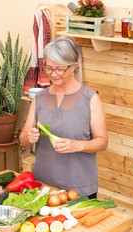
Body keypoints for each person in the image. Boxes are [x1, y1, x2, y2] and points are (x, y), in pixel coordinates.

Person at [19, 36, 108, 199]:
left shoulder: (90, 99)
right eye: (48, 68)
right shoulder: (39, 98)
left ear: (74, 67)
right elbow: (23, 140)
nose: (53, 74)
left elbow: (102, 141)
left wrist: (78, 146)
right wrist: (29, 137)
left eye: (59, 69)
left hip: (78, 189)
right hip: (43, 185)